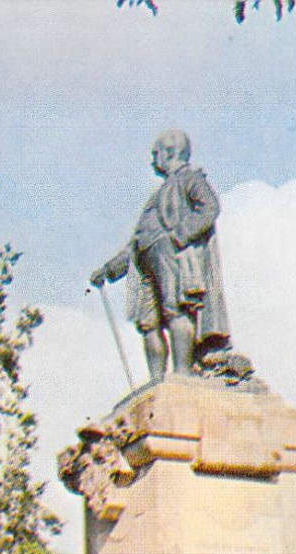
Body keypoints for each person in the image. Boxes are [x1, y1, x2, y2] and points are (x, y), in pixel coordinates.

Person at [91, 129, 231, 381]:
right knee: (148, 323)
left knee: (176, 309)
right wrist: (109, 270)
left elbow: (210, 207)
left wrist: (178, 236)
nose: (152, 160)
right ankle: (157, 381)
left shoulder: (189, 177)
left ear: (170, 152)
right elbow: (135, 244)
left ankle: (181, 373)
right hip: (143, 260)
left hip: (170, 253)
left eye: (155, 154)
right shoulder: (158, 194)